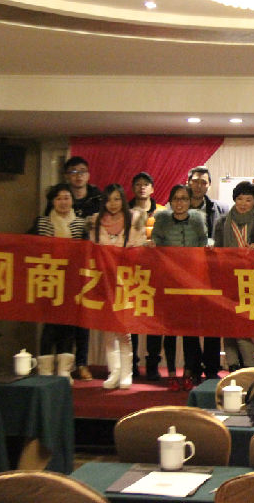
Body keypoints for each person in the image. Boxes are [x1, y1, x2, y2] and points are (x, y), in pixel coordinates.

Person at [90, 184, 148, 389]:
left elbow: (139, 250)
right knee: (107, 330)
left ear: (122, 200)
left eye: (116, 199)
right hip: (104, 281)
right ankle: (113, 372)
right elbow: (93, 251)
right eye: (108, 200)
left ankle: (126, 373)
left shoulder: (134, 220)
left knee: (124, 330)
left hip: (126, 280)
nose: (112, 204)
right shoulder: (96, 222)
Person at [29, 183, 88, 383]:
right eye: (59, 198)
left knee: (68, 326)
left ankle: (64, 371)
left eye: (67, 198)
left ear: (72, 201)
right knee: (50, 326)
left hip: (72, 281)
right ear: (52, 201)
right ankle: (45, 371)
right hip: (48, 279)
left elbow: (87, 251)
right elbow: (29, 246)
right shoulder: (42, 223)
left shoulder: (81, 224)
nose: (63, 202)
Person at [151, 184, 208, 389]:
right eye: (176, 198)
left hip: (191, 282)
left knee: (189, 330)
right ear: (170, 201)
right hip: (169, 281)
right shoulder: (162, 220)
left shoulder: (198, 219)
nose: (180, 203)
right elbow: (156, 241)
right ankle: (172, 373)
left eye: (184, 198)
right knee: (170, 330)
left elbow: (203, 242)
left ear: (190, 201)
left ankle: (189, 372)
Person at [213, 181, 254, 373]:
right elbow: (218, 249)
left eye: (248, 200)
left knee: (242, 326)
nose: (243, 203)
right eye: (239, 199)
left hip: (251, 280)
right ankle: (233, 364)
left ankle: (249, 366)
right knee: (227, 324)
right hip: (227, 278)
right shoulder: (222, 222)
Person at [55, 156, 101, 381]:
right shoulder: (59, 197)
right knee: (62, 318)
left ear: (88, 175)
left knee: (83, 317)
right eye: (73, 172)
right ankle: (62, 363)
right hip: (61, 268)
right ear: (67, 176)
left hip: (88, 267)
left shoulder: (97, 198)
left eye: (82, 171)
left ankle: (81, 363)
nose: (78, 176)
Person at [128, 171, 164, 378]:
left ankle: (152, 364)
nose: (142, 187)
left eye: (146, 184)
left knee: (154, 320)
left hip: (156, 272)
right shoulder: (124, 211)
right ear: (133, 188)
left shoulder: (162, 212)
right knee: (131, 319)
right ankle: (131, 363)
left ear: (152, 189)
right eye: (138, 184)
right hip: (131, 271)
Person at [187, 165, 229, 243]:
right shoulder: (178, 208)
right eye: (195, 181)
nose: (199, 186)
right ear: (188, 183)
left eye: (204, 183)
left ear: (209, 185)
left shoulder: (222, 210)